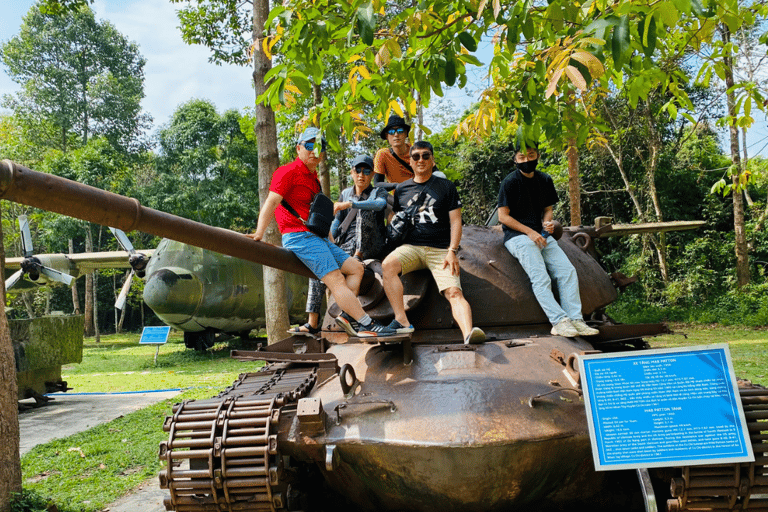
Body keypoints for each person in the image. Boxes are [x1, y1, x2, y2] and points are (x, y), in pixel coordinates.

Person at [247, 127, 396, 338]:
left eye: (320, 146)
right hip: (298, 236)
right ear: (299, 148)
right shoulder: (286, 172)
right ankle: (366, 324)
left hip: (318, 237)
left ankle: (348, 316)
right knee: (335, 279)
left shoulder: (314, 179)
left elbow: (319, 218)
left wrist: (331, 241)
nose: (315, 150)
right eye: (310, 145)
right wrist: (259, 233)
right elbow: (271, 202)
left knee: (355, 268)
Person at [380, 140, 486, 345]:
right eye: (416, 156)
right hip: (412, 247)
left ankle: (468, 333)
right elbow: (395, 218)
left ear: (432, 159)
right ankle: (402, 321)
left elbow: (456, 221)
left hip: (440, 250)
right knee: (388, 265)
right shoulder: (401, 189)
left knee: (454, 291)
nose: (421, 160)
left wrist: (452, 250)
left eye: (425, 156)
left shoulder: (446, 187)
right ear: (410, 162)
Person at [497, 142, 600, 337]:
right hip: (518, 237)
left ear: (537, 156)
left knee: (567, 271)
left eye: (531, 155)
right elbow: (503, 217)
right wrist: (530, 232)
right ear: (515, 160)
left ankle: (576, 320)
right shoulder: (509, 182)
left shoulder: (544, 180)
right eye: (521, 157)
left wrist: (547, 224)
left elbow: (548, 210)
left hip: (541, 236)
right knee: (541, 277)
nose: (526, 160)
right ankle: (559, 321)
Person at [289, 154, 390, 336]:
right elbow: (336, 224)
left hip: (369, 244)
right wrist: (325, 243)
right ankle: (314, 322)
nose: (361, 175)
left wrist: (351, 204)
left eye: (366, 171)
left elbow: (380, 205)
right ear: (352, 172)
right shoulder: (345, 193)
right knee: (318, 262)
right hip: (346, 244)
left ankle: (357, 256)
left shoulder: (377, 192)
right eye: (358, 170)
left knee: (363, 212)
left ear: (372, 173)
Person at [373, 115, 414, 186]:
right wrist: (397, 186)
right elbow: (377, 184)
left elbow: (434, 172)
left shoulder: (416, 151)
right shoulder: (383, 154)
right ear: (387, 136)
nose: (396, 134)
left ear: (406, 134)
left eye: (400, 131)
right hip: (400, 194)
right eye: (391, 132)